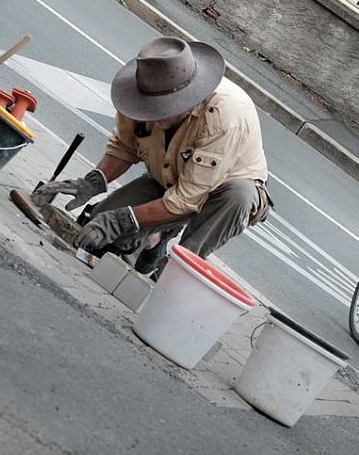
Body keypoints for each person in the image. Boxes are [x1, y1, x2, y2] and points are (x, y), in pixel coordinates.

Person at [33, 36, 271, 277]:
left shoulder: (224, 116)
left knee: (238, 195)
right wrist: (92, 182)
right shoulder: (140, 88)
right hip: (168, 179)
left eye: (166, 107)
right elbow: (125, 146)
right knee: (97, 231)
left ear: (190, 97)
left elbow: (187, 199)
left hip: (220, 192)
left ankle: (177, 271)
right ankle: (154, 239)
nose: (155, 115)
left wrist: (120, 220)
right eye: (152, 107)